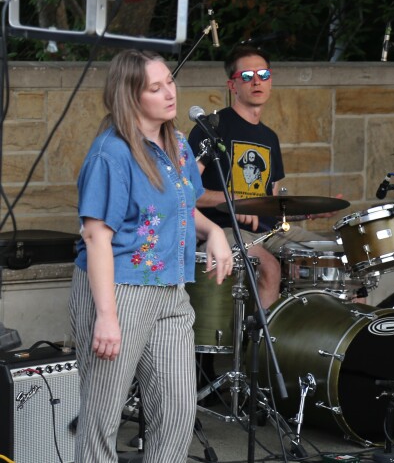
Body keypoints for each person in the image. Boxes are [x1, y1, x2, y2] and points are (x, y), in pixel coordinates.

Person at [71, 49, 234, 462]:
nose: (169, 93)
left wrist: (214, 230)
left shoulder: (177, 143)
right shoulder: (112, 154)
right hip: (120, 291)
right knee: (101, 419)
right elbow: (96, 237)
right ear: (130, 96)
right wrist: (107, 316)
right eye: (155, 87)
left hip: (171, 291)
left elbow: (181, 207)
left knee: (177, 412)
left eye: (170, 82)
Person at [187, 45, 285, 308]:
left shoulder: (270, 138)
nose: (256, 81)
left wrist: (305, 211)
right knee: (270, 268)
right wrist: (235, 200)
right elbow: (184, 190)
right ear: (233, 86)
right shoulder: (211, 128)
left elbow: (272, 201)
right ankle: (262, 348)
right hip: (224, 229)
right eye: (246, 76)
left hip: (267, 232)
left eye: (263, 74)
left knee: (335, 256)